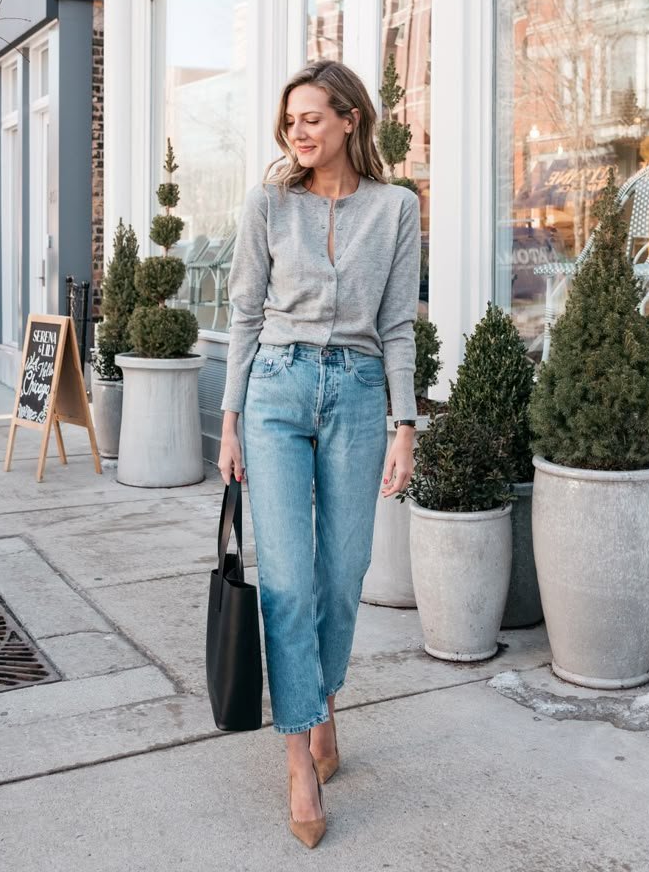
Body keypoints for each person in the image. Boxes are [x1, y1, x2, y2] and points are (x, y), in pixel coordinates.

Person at [217, 58, 421, 849]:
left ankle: (322, 696)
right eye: (290, 120)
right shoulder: (268, 205)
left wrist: (407, 425)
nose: (297, 132)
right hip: (275, 389)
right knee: (290, 584)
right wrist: (230, 420)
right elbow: (241, 316)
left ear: (349, 121)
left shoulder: (397, 208)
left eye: (312, 118)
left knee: (343, 576)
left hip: (360, 394)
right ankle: (300, 754)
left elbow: (399, 324)